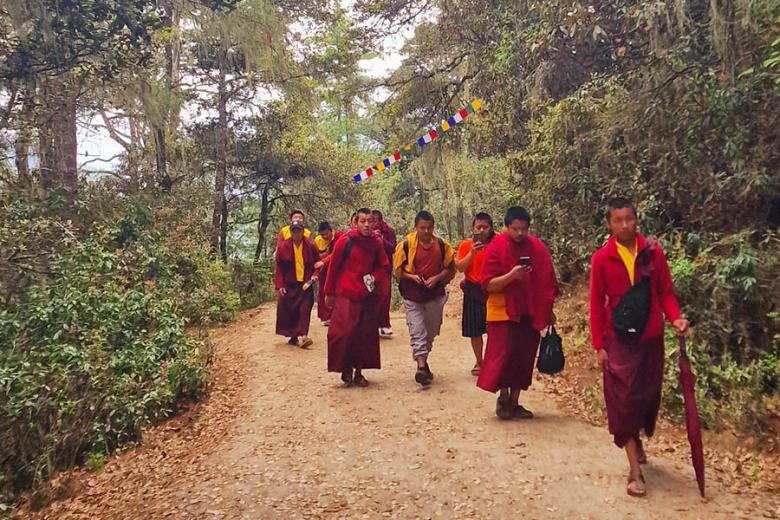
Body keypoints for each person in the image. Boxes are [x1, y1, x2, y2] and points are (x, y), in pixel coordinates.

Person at [589, 197, 689, 498]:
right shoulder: (602, 258)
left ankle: (638, 437)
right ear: (609, 224)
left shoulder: (653, 254)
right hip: (618, 339)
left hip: (650, 338)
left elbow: (665, 292)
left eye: (629, 219)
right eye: (618, 220)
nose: (625, 225)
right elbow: (595, 304)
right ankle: (634, 469)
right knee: (622, 400)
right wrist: (599, 345)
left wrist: (676, 319)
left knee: (646, 395)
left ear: (636, 219)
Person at [477, 206, 558, 419]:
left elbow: (546, 281)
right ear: (506, 227)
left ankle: (515, 401)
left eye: (524, 229)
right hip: (502, 312)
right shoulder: (496, 248)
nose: (520, 234)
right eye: (515, 229)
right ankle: (503, 399)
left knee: (524, 357)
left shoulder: (537, 248)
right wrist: (511, 276)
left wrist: (547, 309)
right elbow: (488, 284)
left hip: (529, 311)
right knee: (503, 357)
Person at [325, 208, 390, 386]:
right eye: (363, 221)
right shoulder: (344, 242)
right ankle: (346, 367)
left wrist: (374, 278)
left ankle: (359, 372)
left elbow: (384, 266)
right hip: (346, 294)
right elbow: (333, 268)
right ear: (355, 223)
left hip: (367, 295)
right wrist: (328, 293)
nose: (367, 224)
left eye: (370, 221)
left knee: (364, 335)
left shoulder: (376, 243)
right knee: (343, 333)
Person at [392, 210, 456, 387]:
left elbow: (451, 267)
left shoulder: (442, 245)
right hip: (413, 294)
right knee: (417, 329)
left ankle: (423, 361)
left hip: (435, 293)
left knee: (431, 330)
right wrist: (412, 277)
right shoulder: (405, 245)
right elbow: (398, 270)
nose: (426, 232)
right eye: (422, 228)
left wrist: (437, 278)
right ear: (416, 227)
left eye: (429, 228)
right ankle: (420, 367)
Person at [454, 212, 495, 376]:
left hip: (493, 290)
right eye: (478, 227)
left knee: (494, 328)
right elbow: (460, 268)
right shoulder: (466, 245)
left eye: (485, 227)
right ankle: (479, 361)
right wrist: (472, 252)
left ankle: (492, 360)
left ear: (491, 228)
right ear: (473, 229)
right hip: (473, 290)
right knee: (474, 330)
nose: (482, 230)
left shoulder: (498, 242)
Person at [274, 220, 320, 348]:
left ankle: (304, 336)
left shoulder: (310, 245)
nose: (296, 234)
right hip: (289, 284)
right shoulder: (283, 247)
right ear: (291, 232)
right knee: (290, 310)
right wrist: (280, 285)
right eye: (293, 231)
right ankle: (293, 336)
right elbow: (279, 268)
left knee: (304, 309)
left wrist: (315, 275)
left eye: (298, 231)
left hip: (305, 284)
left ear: (303, 231)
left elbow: (318, 263)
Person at [372, 210, 397, 337]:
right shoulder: (367, 231)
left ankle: (385, 324)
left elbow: (393, 248)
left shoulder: (389, 231)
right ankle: (372, 325)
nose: (372, 224)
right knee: (372, 296)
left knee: (384, 296)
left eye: (375, 221)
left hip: (386, 268)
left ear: (381, 221)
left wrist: (382, 239)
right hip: (371, 268)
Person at [314, 221, 337, 326]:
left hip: (334, 268)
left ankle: (334, 316)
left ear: (331, 231)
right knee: (322, 292)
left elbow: (336, 253)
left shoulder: (337, 238)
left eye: (326, 233)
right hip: (322, 269)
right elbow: (315, 255)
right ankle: (325, 316)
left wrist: (324, 259)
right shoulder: (317, 241)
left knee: (333, 292)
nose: (325, 236)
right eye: (322, 234)